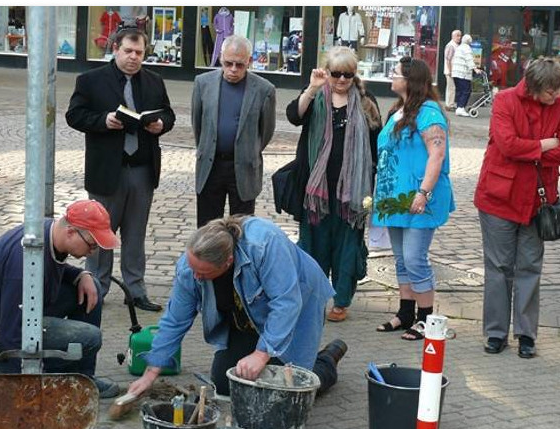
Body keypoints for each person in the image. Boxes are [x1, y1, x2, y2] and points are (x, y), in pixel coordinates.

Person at [126, 216, 349, 398]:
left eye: (203, 273)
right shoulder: (191, 267)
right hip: (247, 318)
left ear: (228, 262)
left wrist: (261, 354)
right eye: (193, 269)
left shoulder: (265, 244)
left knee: (286, 390)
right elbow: (175, 319)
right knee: (226, 384)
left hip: (299, 304)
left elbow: (286, 303)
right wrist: (150, 373)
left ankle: (326, 361)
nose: (195, 277)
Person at [66, 26, 175, 313]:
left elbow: (168, 113)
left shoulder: (153, 81)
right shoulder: (90, 80)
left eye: (139, 52)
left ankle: (135, 290)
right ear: (115, 49)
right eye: (128, 51)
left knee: (136, 234)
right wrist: (103, 121)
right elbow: (74, 115)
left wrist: (161, 124)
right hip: (106, 170)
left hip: (142, 169)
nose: (134, 57)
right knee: (99, 232)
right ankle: (97, 287)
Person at [0, 200, 121, 398]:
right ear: (71, 232)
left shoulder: (49, 233)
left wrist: (80, 275)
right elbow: (12, 331)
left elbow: (50, 268)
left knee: (92, 287)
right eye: (92, 244)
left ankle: (83, 378)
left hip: (18, 310)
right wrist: (21, 385)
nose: (93, 251)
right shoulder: (23, 265)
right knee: (90, 338)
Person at [473, 57, 560, 358]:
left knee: (530, 267)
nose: (556, 96)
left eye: (558, 90)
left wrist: (527, 148)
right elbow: (506, 145)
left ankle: (526, 335)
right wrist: (544, 145)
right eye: (551, 91)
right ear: (532, 87)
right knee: (498, 268)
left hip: (538, 200)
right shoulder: (505, 101)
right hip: (498, 197)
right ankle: (495, 333)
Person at [286, 46, 382, 323]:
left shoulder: (365, 101)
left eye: (347, 75)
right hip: (316, 190)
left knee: (347, 247)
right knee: (312, 244)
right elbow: (294, 116)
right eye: (336, 73)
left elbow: (376, 145)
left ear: (354, 75)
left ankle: (341, 301)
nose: (341, 79)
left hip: (353, 190)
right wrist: (312, 88)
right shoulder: (316, 95)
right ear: (327, 72)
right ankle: (311, 297)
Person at [371, 57, 455, 341]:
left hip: (419, 198)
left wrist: (424, 192)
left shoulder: (428, 112)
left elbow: (437, 155)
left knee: (414, 258)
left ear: (411, 80)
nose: (391, 76)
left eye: (396, 73)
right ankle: (405, 312)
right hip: (395, 199)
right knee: (401, 259)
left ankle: (425, 318)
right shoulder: (398, 110)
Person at [191, 35, 277, 227]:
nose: (233, 69)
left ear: (249, 61)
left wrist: (249, 149)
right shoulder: (203, 83)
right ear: (221, 58)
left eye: (240, 65)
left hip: (244, 167)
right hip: (211, 165)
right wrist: (207, 148)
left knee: (241, 228)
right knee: (207, 228)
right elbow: (198, 124)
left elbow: (266, 131)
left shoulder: (264, 90)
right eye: (228, 63)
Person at [452, 34, 476, 117]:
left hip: (455, 73)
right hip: (463, 74)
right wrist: (475, 69)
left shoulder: (459, 48)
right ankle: (461, 108)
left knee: (459, 91)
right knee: (466, 91)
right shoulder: (467, 48)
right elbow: (469, 59)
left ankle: (459, 106)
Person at [443, 29, 461, 110]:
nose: (459, 37)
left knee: (452, 88)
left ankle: (450, 104)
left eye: (460, 35)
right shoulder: (451, 45)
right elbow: (448, 59)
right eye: (457, 35)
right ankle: (449, 105)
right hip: (450, 71)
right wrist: (450, 71)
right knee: (451, 88)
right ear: (453, 36)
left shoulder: (455, 45)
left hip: (453, 71)